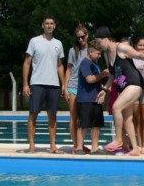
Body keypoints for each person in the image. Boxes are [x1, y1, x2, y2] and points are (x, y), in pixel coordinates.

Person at [95, 26, 144, 155]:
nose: (97, 45)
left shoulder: (121, 47)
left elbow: (139, 54)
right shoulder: (107, 54)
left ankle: (118, 140)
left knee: (116, 107)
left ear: (106, 39)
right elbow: (112, 75)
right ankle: (135, 149)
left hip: (134, 84)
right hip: (123, 86)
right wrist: (105, 89)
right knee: (127, 119)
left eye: (98, 41)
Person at [23, 15, 66, 154]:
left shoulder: (58, 43)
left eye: (51, 23)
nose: (49, 25)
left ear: (54, 26)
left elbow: (60, 65)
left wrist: (63, 84)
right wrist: (25, 83)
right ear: (43, 25)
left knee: (52, 115)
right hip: (37, 83)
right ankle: (32, 145)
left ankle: (53, 146)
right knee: (33, 114)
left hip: (53, 84)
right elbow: (27, 63)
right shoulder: (34, 41)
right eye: (46, 23)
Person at [75, 44, 109, 154]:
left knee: (96, 125)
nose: (100, 56)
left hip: (95, 99)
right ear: (91, 52)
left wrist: (104, 89)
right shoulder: (85, 63)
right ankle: (79, 147)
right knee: (84, 124)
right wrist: (103, 74)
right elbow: (89, 79)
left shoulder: (95, 64)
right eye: (98, 54)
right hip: (85, 99)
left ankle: (95, 147)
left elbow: (96, 81)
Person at [64, 23, 89, 153]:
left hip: (86, 88)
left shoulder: (92, 50)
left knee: (83, 118)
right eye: (78, 38)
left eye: (82, 37)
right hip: (73, 86)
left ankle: (81, 143)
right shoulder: (73, 50)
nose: (80, 40)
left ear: (87, 35)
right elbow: (68, 69)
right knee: (73, 116)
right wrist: (65, 87)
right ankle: (76, 145)